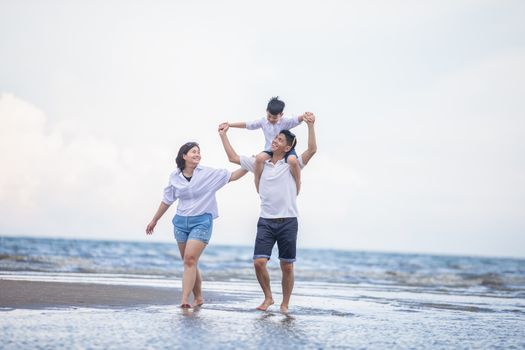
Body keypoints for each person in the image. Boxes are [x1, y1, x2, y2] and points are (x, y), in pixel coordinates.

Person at [219, 112, 317, 314]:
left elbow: (312, 149)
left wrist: (310, 125)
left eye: (280, 140)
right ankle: (268, 297)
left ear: (288, 147)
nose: (275, 141)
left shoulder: (292, 164)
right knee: (259, 262)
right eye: (275, 138)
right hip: (266, 221)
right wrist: (223, 135)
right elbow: (232, 157)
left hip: (288, 221)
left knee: (287, 266)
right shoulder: (260, 163)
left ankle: (285, 304)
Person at [146, 141, 247, 308]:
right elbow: (167, 200)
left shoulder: (207, 173)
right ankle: (199, 297)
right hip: (180, 223)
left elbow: (232, 176)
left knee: (190, 259)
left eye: (198, 152)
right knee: (189, 262)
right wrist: (154, 220)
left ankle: (185, 300)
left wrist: (249, 164)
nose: (197, 154)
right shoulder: (175, 176)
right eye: (193, 152)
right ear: (184, 156)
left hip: (201, 221)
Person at [219, 97, 305, 194]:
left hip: (286, 149)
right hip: (270, 150)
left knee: (292, 160)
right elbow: (248, 125)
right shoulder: (263, 122)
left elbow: (296, 120)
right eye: (269, 116)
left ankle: (298, 183)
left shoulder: (285, 122)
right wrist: (230, 125)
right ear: (266, 112)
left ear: (281, 115)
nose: (271, 119)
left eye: (275, 118)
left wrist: (305, 116)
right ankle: (257, 182)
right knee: (259, 158)